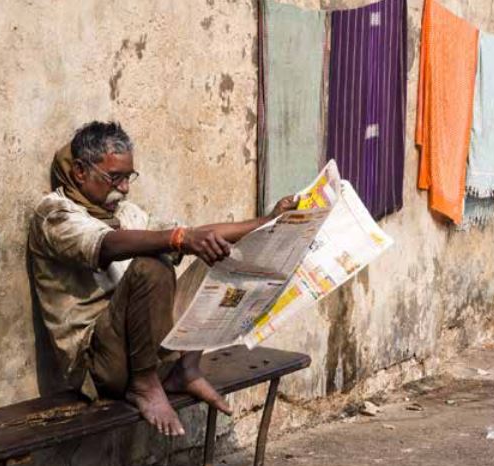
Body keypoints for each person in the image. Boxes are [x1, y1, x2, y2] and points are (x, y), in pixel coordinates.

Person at [28, 121, 297, 436]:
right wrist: (179, 239)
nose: (124, 188)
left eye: (128, 178)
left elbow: (195, 235)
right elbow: (108, 245)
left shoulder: (125, 212)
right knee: (152, 265)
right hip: (100, 365)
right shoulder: (55, 215)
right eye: (115, 177)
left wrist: (270, 222)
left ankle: (187, 369)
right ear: (80, 172)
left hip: (140, 345)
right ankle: (144, 385)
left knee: (218, 254)